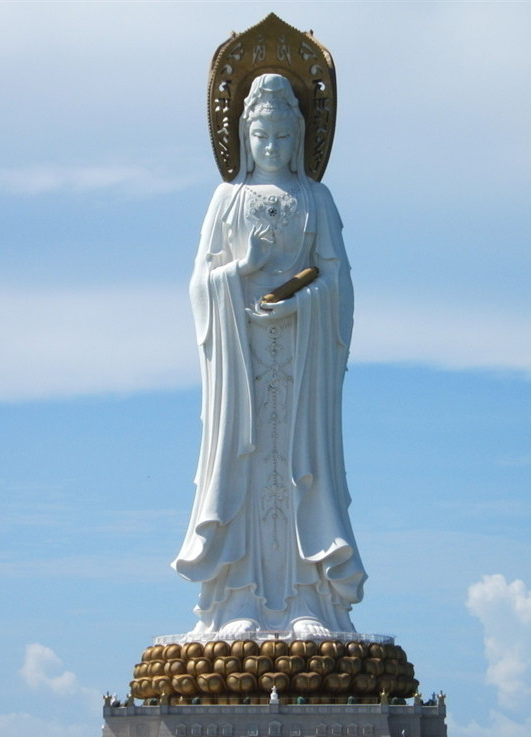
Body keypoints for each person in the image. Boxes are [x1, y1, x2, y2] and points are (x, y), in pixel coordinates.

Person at [173, 73, 366, 636]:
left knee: (299, 466)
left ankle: (308, 599)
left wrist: (300, 303)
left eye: (283, 136)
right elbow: (199, 283)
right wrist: (243, 268)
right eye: (262, 136)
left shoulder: (316, 199)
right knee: (246, 463)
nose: (272, 147)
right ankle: (239, 600)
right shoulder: (227, 199)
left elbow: (337, 280)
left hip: (302, 360)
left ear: (299, 137)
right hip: (243, 363)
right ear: (244, 136)